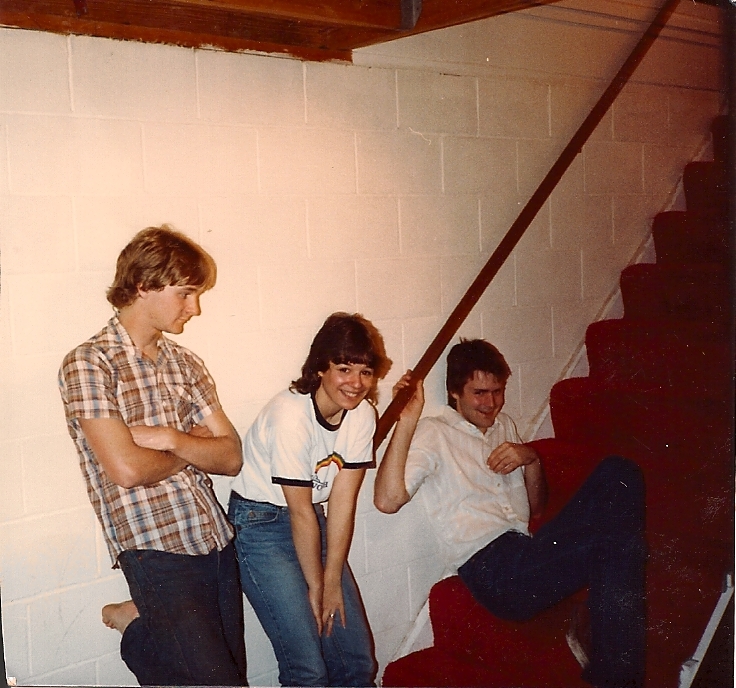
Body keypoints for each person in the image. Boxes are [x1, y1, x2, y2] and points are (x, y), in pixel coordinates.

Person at [374, 339, 646, 688]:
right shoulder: (434, 433)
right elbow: (387, 501)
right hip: (494, 572)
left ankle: (602, 623)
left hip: (529, 551)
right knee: (617, 546)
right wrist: (406, 420)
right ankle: (616, 678)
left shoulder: (505, 426)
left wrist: (531, 459)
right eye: (479, 393)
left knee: (619, 471)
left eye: (498, 392)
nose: (491, 404)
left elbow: (537, 509)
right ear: (454, 392)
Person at [58, 226, 248, 686]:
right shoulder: (89, 363)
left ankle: (139, 624)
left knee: (227, 675)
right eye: (185, 294)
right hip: (154, 546)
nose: (194, 308)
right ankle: (137, 629)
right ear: (144, 285)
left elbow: (230, 457)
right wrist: (192, 446)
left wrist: (169, 438)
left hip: (214, 537)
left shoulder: (187, 363)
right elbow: (126, 469)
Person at [227, 313, 388, 686]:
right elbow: (299, 512)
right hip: (261, 526)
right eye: (344, 369)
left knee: (357, 663)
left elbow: (342, 503)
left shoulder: (363, 415)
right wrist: (318, 588)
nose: (356, 383)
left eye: (365, 372)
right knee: (309, 671)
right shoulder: (290, 415)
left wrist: (332, 581)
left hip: (313, 521)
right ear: (320, 368)